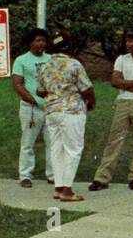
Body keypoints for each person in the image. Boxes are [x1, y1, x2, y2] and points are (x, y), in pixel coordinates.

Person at [89, 30, 133, 191]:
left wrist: (125, 83)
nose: (128, 44)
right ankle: (102, 178)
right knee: (114, 140)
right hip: (122, 102)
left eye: (131, 41)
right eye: (127, 41)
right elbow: (114, 81)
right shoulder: (121, 59)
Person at [36, 32, 95, 203]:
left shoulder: (45, 66)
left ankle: (58, 187)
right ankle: (67, 191)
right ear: (69, 47)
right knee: (73, 149)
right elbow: (87, 89)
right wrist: (91, 103)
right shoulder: (74, 64)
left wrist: (55, 91)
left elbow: (40, 90)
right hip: (71, 110)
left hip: (51, 111)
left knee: (56, 149)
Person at [12, 28, 52, 188]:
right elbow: (17, 84)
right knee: (28, 142)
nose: (41, 43)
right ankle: (25, 175)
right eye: (37, 40)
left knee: (52, 142)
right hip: (30, 107)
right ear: (31, 42)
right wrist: (32, 99)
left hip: (50, 107)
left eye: (43, 40)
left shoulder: (51, 59)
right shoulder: (21, 60)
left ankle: (53, 175)